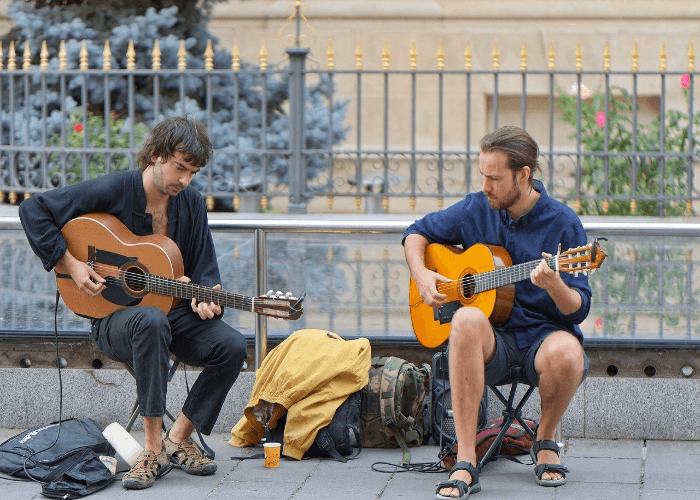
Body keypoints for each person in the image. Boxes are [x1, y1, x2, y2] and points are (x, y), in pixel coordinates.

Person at [19, 116, 248, 490]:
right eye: (180, 168)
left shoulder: (189, 203)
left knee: (232, 346)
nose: (185, 180)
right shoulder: (115, 189)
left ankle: (179, 438)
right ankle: (152, 449)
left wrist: (206, 300)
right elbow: (34, 210)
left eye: (193, 172)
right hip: (113, 321)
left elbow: (205, 274)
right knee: (149, 321)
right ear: (156, 156)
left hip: (172, 315)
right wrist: (72, 265)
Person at [403, 126, 591, 499]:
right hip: (492, 343)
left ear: (523, 175)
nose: (485, 186)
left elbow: (579, 309)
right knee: (466, 318)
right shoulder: (477, 208)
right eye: (483, 176)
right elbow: (415, 233)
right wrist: (422, 275)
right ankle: (467, 458)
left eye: (494, 178)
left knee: (570, 351)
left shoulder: (564, 224)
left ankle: (546, 439)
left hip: (543, 339)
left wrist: (555, 284)